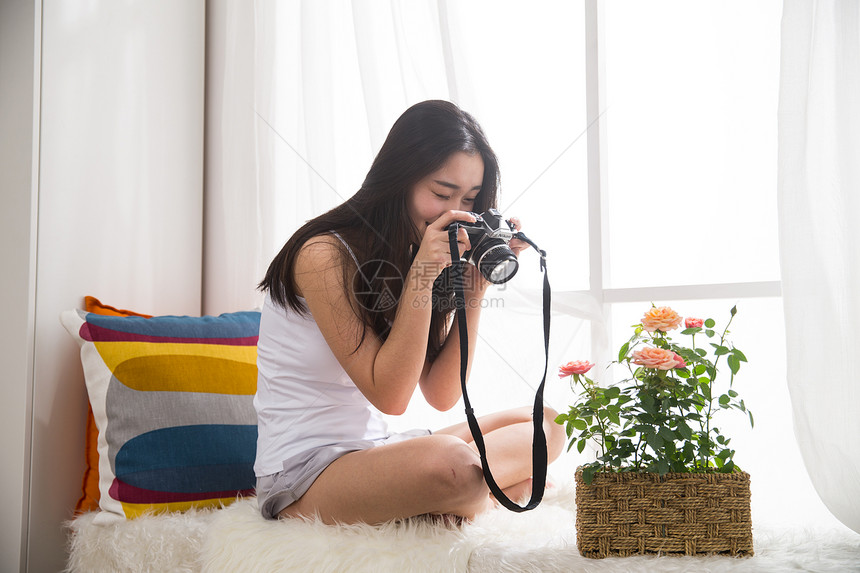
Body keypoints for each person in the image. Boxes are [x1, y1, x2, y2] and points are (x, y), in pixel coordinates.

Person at [254, 100, 565, 525]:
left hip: (375, 452)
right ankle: (483, 494)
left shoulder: (417, 250)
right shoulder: (322, 255)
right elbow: (392, 396)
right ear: (399, 180)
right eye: (441, 193)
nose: (455, 212)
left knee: (548, 423)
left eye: (470, 199)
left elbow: (441, 394)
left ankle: (462, 493)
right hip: (303, 473)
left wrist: (474, 288)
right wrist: (422, 275)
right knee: (450, 464)